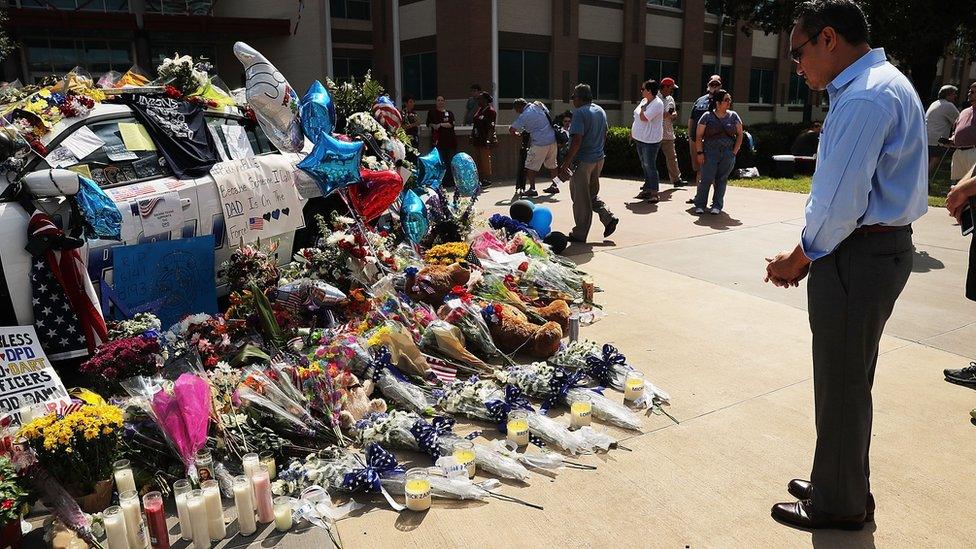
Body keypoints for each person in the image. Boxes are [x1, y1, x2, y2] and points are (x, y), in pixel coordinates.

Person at [765, 0, 928, 530]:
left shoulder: (863, 97)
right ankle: (843, 480)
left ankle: (839, 504)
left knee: (840, 381)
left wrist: (802, 253)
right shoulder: (884, 83)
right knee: (850, 379)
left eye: (798, 51)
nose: (797, 64)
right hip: (877, 249)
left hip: (858, 252)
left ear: (828, 38)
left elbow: (840, 202)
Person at [559, 83, 619, 242]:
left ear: (579, 98)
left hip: (583, 161)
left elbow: (576, 140)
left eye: (573, 97)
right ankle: (608, 217)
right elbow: (605, 133)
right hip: (598, 159)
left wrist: (566, 163)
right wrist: (598, 150)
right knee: (591, 194)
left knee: (580, 199)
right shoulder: (600, 110)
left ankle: (579, 233)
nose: (572, 100)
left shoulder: (579, 113)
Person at [692, 89, 742, 214]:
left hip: (727, 153)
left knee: (721, 179)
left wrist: (734, 152)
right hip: (709, 152)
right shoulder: (707, 116)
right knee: (706, 179)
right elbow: (698, 136)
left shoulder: (734, 116)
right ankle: (700, 205)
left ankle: (717, 206)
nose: (729, 102)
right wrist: (699, 152)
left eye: (729, 100)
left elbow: (740, 134)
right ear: (718, 103)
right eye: (726, 100)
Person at [509, 98, 557, 198]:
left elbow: (512, 129)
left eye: (516, 109)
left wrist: (518, 136)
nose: (517, 112)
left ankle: (532, 189)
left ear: (519, 106)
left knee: (530, 166)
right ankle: (555, 185)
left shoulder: (524, 115)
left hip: (539, 142)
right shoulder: (539, 105)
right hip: (552, 139)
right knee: (552, 165)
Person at [632, 79, 665, 202]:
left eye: (643, 89)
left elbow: (643, 117)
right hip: (640, 138)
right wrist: (633, 132)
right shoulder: (644, 100)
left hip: (650, 141)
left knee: (650, 165)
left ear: (649, 91)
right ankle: (647, 189)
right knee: (644, 164)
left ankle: (654, 192)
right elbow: (636, 117)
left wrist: (643, 108)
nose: (641, 91)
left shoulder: (657, 103)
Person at [689, 75, 723, 185]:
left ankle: (714, 199)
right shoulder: (699, 100)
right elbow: (692, 118)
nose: (714, 86)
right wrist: (690, 135)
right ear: (708, 86)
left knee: (711, 170)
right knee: (699, 168)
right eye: (712, 84)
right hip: (696, 140)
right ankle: (699, 196)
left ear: (720, 86)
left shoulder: (722, 101)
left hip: (711, 142)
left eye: (716, 84)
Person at [657, 77, 686, 187]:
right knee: (650, 159)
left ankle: (676, 180)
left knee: (672, 158)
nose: (672, 91)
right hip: (655, 134)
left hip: (668, 133)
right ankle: (649, 182)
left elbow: (674, 113)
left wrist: (673, 115)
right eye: (671, 88)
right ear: (664, 87)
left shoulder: (671, 99)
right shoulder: (655, 98)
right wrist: (663, 115)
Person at [926, 85, 959, 174]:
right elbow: (960, 121)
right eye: (954, 94)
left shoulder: (935, 103)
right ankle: (925, 180)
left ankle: (922, 179)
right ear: (948, 95)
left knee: (927, 161)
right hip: (937, 139)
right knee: (935, 159)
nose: (956, 96)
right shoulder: (949, 105)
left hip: (926, 137)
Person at [947, 83, 976, 182]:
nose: (969, 94)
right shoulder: (964, 111)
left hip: (973, 152)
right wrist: (952, 138)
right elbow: (956, 129)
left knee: (970, 185)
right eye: (969, 91)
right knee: (956, 184)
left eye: (972, 92)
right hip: (958, 152)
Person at [427, 96, 457, 187]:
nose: (440, 102)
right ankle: (440, 182)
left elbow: (451, 124)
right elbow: (429, 123)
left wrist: (440, 124)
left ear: (444, 102)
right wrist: (434, 126)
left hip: (449, 141)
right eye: (438, 100)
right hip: (437, 142)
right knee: (439, 161)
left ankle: (450, 181)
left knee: (449, 162)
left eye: (442, 100)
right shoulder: (432, 112)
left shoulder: (449, 113)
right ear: (436, 102)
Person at [470, 91, 497, 188]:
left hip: (485, 139)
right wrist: (472, 135)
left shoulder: (490, 111)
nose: (478, 101)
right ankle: (480, 179)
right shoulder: (479, 110)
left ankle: (487, 179)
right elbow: (475, 124)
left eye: (480, 99)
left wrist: (488, 139)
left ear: (485, 100)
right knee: (477, 160)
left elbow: (491, 127)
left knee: (485, 160)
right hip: (477, 139)